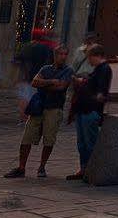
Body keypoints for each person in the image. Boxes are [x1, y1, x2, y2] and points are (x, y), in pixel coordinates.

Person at [7, 43, 73, 178]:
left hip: (54, 107)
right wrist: (51, 82)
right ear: (55, 55)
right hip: (39, 106)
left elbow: (61, 87)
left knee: (49, 139)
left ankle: (42, 167)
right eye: (60, 54)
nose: (63, 57)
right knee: (27, 136)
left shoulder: (68, 70)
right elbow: (34, 82)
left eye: (65, 54)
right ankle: (21, 167)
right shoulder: (45, 68)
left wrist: (45, 83)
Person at [64, 43, 113, 181]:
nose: (89, 61)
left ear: (96, 56)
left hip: (90, 110)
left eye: (89, 58)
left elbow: (101, 92)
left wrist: (90, 94)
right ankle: (84, 168)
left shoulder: (104, 69)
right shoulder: (97, 69)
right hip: (83, 109)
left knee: (90, 142)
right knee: (82, 142)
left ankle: (93, 170)